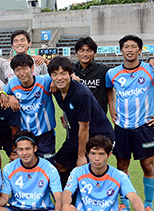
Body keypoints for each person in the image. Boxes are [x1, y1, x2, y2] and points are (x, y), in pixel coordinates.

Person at [106, 34, 154, 211]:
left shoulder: (150, 69)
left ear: (140, 50)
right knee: (121, 166)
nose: (129, 50)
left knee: (148, 165)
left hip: (144, 126)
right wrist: (112, 108)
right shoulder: (112, 73)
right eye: (126, 47)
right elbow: (108, 90)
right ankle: (124, 202)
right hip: (121, 127)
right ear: (121, 50)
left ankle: (148, 206)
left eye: (133, 47)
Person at [62, 136, 148, 211]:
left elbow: (133, 197)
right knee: (69, 209)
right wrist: (65, 205)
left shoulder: (119, 175)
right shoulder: (78, 171)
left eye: (101, 154)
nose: (96, 158)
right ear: (88, 154)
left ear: (109, 155)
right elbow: (67, 193)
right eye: (93, 153)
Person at [49, 57, 114, 185]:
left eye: (63, 73)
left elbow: (85, 127)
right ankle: (70, 199)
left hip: (98, 134)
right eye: (55, 74)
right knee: (59, 163)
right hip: (77, 133)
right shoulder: (56, 89)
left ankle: (97, 199)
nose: (59, 78)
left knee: (90, 170)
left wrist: (81, 156)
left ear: (71, 74)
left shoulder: (81, 94)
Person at [0, 131, 63, 211]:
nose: (24, 153)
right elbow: (4, 198)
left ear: (35, 148)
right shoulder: (9, 168)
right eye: (20, 149)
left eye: (28, 149)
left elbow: (59, 198)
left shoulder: (49, 168)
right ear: (16, 150)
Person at [73, 37, 154, 114]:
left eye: (89, 51)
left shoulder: (105, 71)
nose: (85, 54)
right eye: (82, 51)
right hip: (74, 117)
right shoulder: (68, 70)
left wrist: (151, 59)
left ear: (95, 53)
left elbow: (127, 68)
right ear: (76, 53)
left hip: (97, 119)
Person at [4, 53, 56, 162]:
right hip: (25, 136)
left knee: (47, 165)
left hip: (45, 135)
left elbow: (60, 72)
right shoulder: (13, 83)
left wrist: (47, 62)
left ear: (32, 68)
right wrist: (8, 96)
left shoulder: (44, 81)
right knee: (27, 167)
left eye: (24, 68)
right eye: (17, 70)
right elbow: (1, 92)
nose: (21, 73)